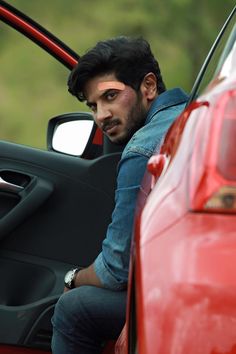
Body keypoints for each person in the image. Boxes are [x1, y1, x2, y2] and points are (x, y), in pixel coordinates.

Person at [51, 36, 188, 354]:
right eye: (94, 106)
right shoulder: (194, 114)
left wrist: (73, 278)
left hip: (181, 294)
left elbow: (116, 269)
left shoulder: (142, 150)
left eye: (110, 96)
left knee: (73, 309)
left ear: (149, 87)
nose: (101, 115)